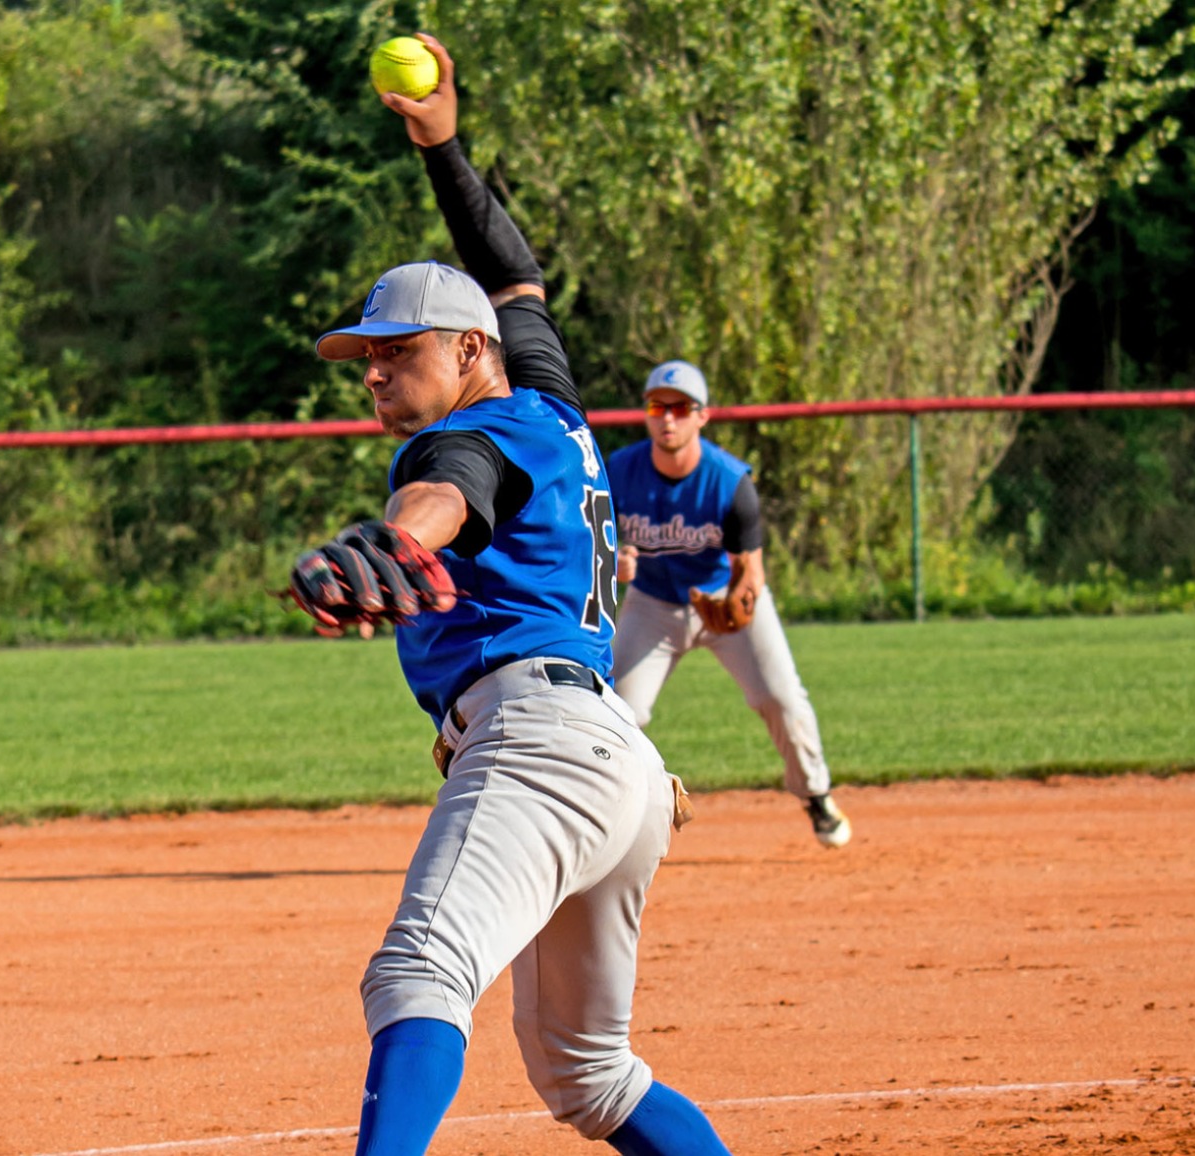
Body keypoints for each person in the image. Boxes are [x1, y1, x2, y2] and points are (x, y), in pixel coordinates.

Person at [285, 34, 737, 1156]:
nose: (378, 371)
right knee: (591, 1077)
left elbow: (450, 501)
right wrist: (441, 142)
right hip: (617, 761)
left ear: (467, 351)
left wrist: (394, 542)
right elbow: (514, 271)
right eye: (367, 359)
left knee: (417, 970)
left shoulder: (472, 434)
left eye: (398, 351)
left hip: (538, 740)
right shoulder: (549, 402)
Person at [608, 361, 852, 849]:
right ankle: (613, 817)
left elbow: (752, 568)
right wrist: (614, 563)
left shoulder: (729, 482)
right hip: (652, 603)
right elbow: (593, 546)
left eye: (680, 408)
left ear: (703, 416)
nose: (668, 418)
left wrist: (744, 596)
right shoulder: (617, 473)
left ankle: (816, 796)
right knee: (615, 712)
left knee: (781, 698)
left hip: (722, 599)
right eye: (658, 406)